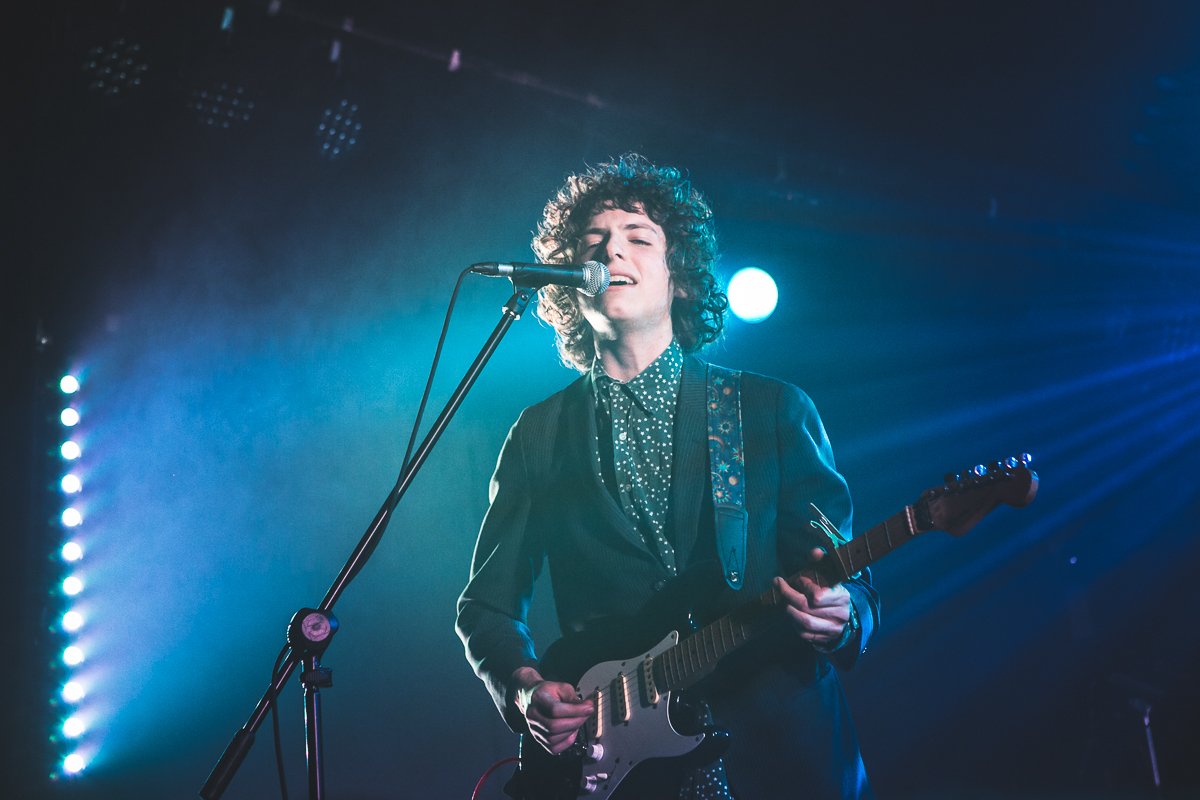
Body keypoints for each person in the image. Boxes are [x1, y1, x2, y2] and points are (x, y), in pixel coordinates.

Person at [457, 154, 879, 799]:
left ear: (678, 276)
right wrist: (524, 689)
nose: (611, 251)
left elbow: (844, 570)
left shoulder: (770, 410)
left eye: (638, 237)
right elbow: (487, 604)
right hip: (622, 761)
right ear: (572, 281)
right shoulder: (539, 433)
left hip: (773, 747)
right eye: (593, 242)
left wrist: (846, 616)